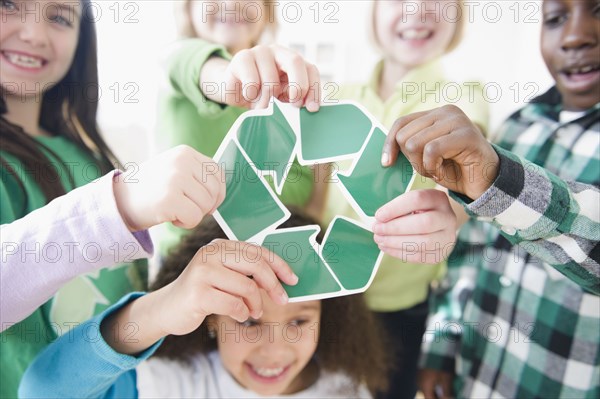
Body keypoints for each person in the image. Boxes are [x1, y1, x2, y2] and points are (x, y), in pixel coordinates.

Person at [0, 0, 225, 396]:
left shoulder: (88, 155)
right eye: (8, 5)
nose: (34, 33)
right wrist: (118, 204)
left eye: (59, 16)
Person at [377, 0, 599, 397]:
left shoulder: (479, 117)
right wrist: (443, 347)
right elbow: (472, 253)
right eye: (555, 18)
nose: (574, 36)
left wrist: (500, 176)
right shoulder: (518, 127)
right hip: (477, 380)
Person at [20, 213, 392, 398]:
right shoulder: (174, 383)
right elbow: (41, 391)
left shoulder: (345, 389)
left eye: (298, 322)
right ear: (209, 318)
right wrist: (161, 309)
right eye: (248, 322)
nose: (275, 350)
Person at [323, 1, 488, 397]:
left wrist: (454, 212)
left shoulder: (462, 97)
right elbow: (316, 198)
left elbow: (467, 184)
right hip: (327, 295)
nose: (417, 11)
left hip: (401, 311)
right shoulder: (338, 95)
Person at [155, 0, 324, 257]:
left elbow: (302, 194)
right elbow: (202, 70)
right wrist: (230, 79)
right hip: (185, 264)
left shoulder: (284, 94)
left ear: (266, 11)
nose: (232, 3)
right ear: (187, 9)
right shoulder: (176, 57)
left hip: (268, 268)